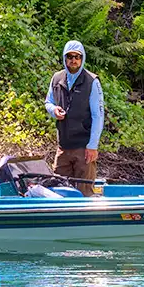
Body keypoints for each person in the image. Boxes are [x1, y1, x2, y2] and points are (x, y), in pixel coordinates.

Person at [44, 40, 104, 195]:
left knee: (85, 192)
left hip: (84, 148)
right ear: (65, 58)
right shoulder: (56, 78)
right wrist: (53, 110)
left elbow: (98, 116)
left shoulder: (92, 82)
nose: (73, 60)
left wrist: (93, 146)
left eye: (77, 56)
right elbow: (48, 102)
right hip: (63, 147)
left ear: (82, 58)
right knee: (58, 192)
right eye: (69, 56)